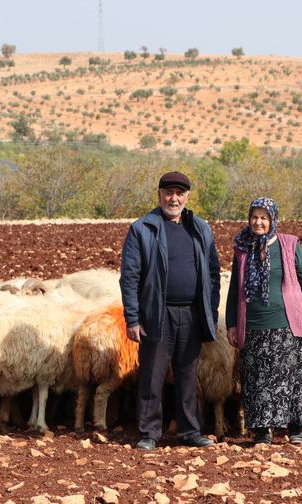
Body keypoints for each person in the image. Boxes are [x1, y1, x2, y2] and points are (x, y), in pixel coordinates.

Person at [120, 171, 221, 450]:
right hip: (157, 313)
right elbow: (130, 276)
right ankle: (149, 434)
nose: (173, 198)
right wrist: (133, 318)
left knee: (188, 374)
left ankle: (190, 431)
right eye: (168, 192)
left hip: (191, 312)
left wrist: (209, 313)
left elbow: (213, 273)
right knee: (152, 374)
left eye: (179, 193)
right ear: (159, 194)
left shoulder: (200, 228)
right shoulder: (143, 228)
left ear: (187, 196)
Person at [225, 196, 302, 445]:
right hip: (253, 324)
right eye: (254, 217)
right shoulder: (242, 248)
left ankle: (295, 428)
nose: (258, 222)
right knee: (257, 378)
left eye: (264, 218)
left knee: (291, 376)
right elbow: (235, 287)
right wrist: (232, 323)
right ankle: (262, 431)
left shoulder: (288, 244)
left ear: (272, 219)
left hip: (288, 322)